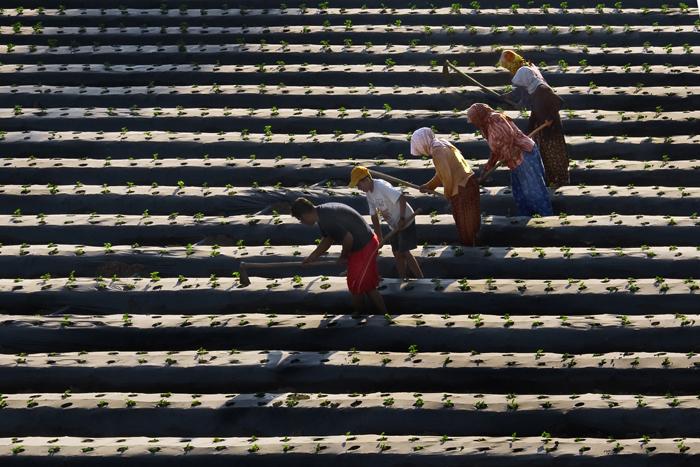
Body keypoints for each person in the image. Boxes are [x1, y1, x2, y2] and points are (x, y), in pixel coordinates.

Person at [290, 197, 387, 315]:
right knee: (357, 283)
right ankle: (363, 312)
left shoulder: (327, 219)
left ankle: (373, 314)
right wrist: (312, 257)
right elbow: (328, 239)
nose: (302, 222)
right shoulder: (321, 213)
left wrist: (343, 256)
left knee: (361, 284)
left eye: (300, 219)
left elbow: (348, 238)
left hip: (365, 246)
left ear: (304, 215)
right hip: (361, 245)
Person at [497, 49, 569, 187]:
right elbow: (535, 109)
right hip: (541, 123)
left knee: (553, 153)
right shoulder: (533, 88)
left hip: (551, 127)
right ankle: (548, 180)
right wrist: (528, 129)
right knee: (543, 153)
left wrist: (550, 118)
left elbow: (558, 102)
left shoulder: (541, 89)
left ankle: (559, 181)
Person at [467, 103, 553, 217]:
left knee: (533, 190)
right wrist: (489, 166)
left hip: (524, 156)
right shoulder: (485, 125)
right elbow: (495, 149)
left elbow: (508, 136)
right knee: (520, 192)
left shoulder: (495, 119)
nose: (473, 123)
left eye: (473, 120)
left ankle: (546, 217)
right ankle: (525, 218)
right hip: (513, 161)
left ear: (479, 116)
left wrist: (506, 154)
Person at [349, 166, 424, 281]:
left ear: (366, 180)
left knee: (404, 251)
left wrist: (402, 219)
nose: (359, 188)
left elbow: (402, 198)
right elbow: (374, 216)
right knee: (396, 253)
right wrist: (379, 236)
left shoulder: (382, 187)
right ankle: (403, 278)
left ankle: (422, 279)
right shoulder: (369, 193)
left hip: (405, 219)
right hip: (393, 225)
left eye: (359, 185)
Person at [410, 127, 481, 246]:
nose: (421, 152)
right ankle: (474, 245)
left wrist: (448, 194)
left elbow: (447, 177)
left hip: (462, 189)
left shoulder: (437, 152)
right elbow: (441, 173)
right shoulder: (441, 143)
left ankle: (471, 252)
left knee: (465, 223)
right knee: (471, 221)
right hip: (470, 182)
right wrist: (429, 186)